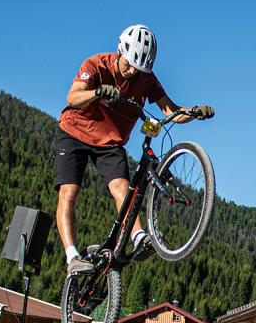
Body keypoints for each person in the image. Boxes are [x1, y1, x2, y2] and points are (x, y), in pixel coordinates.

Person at [56, 24, 189, 275]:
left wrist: (194, 112)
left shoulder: (146, 79)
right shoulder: (96, 64)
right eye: (128, 65)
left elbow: (170, 110)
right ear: (119, 52)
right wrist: (97, 92)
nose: (131, 72)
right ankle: (72, 257)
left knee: (122, 189)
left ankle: (138, 237)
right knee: (69, 191)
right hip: (75, 132)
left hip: (110, 141)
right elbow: (72, 97)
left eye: (138, 69)